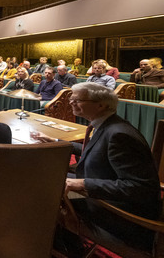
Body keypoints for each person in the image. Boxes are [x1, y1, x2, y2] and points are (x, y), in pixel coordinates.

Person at [35, 83, 161, 252]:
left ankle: (62, 248)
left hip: (119, 215)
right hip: (102, 194)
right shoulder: (108, 125)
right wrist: (55, 142)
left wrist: (79, 184)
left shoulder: (119, 135)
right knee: (45, 179)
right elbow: (95, 149)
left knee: (44, 198)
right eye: (71, 98)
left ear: (101, 105)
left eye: (77, 99)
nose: (71, 101)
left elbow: (140, 188)